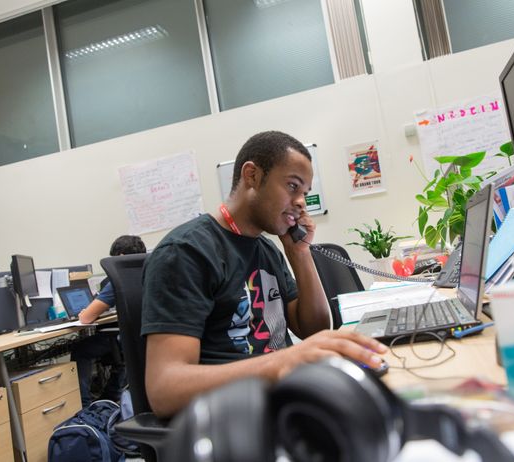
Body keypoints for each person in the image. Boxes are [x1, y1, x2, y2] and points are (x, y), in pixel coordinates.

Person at [142, 131, 388, 418]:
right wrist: (283, 363)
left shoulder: (266, 248)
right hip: (232, 416)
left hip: (280, 398)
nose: (301, 203)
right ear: (253, 176)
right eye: (292, 187)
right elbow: (164, 389)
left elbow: (314, 330)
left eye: (304, 194)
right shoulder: (186, 253)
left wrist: (300, 254)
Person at [71, 235, 146, 407]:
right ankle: (112, 394)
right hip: (146, 335)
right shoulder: (151, 269)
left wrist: (86, 311)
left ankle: (84, 404)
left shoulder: (120, 279)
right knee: (118, 352)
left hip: (128, 337)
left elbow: (86, 317)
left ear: (119, 256)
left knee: (80, 349)